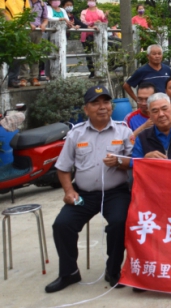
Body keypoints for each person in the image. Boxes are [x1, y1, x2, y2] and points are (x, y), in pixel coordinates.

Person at [46, 86, 133, 293]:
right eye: (96, 103)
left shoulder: (124, 130)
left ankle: (113, 270)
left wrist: (120, 161)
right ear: (86, 109)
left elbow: (135, 162)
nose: (102, 107)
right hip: (83, 194)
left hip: (115, 192)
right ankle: (69, 272)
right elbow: (63, 168)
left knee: (119, 223)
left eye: (105, 103)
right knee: (62, 225)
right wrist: (69, 191)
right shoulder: (76, 134)